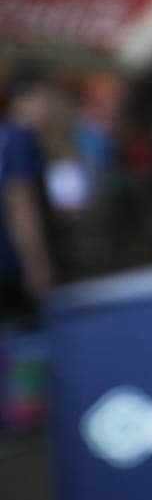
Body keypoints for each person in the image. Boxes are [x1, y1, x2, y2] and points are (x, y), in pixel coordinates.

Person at [0, 64, 60, 319]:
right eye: (49, 96)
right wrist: (36, 263)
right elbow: (20, 201)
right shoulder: (20, 138)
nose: (53, 105)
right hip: (15, 267)